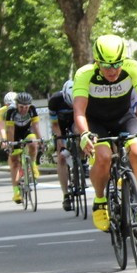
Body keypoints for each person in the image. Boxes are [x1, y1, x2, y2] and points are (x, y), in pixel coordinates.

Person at [73, 34, 137, 239]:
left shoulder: (132, 68)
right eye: (106, 66)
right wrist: (84, 134)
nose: (112, 70)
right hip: (96, 122)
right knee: (102, 157)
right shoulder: (85, 74)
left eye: (117, 64)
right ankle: (100, 200)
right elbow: (79, 111)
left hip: (123, 118)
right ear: (96, 62)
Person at [0, 92, 41, 204]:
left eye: (26, 107)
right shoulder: (11, 111)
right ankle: (16, 192)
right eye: (21, 107)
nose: (24, 109)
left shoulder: (32, 109)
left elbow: (36, 126)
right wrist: (11, 146)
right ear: (17, 105)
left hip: (27, 131)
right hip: (15, 133)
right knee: (15, 162)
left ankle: (32, 164)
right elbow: (10, 129)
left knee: (33, 143)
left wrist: (40, 140)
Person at [47, 79, 78, 210]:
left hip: (74, 121)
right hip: (60, 125)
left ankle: (81, 162)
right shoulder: (55, 101)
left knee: (79, 133)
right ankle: (66, 195)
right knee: (61, 157)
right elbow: (54, 125)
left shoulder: (81, 95)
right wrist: (60, 140)